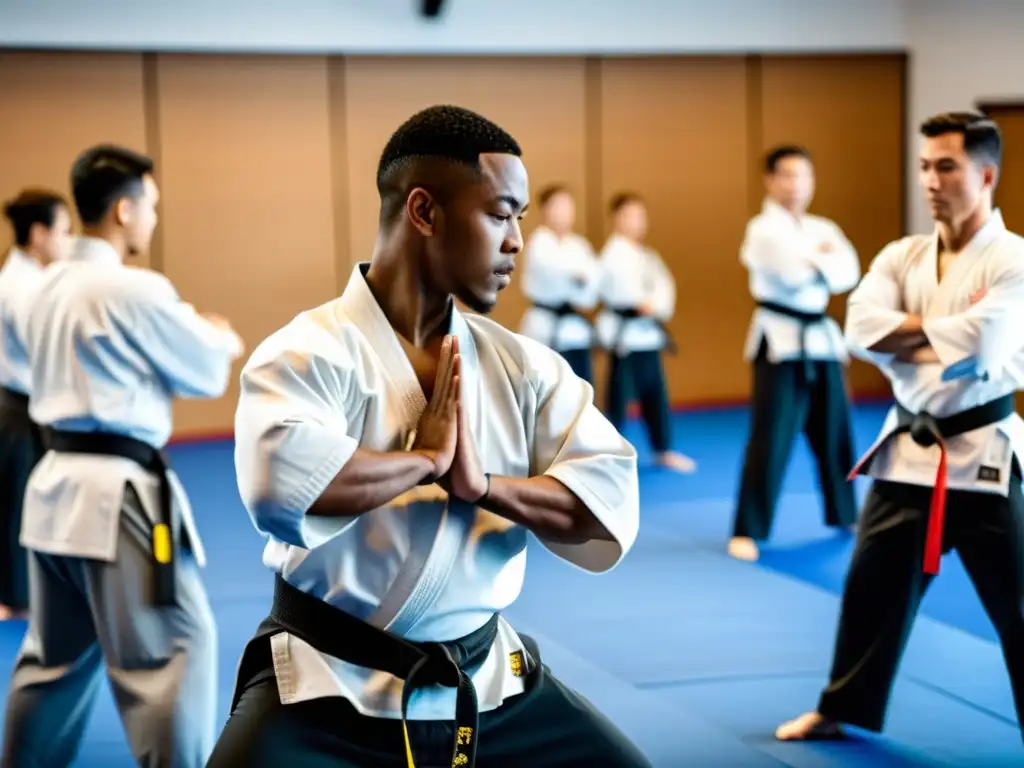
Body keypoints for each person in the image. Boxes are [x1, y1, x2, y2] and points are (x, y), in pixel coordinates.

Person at [208, 105, 649, 768]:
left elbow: (608, 496)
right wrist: (420, 461)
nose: (516, 243)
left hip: (489, 684)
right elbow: (280, 487)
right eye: (500, 214)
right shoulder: (307, 353)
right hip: (328, 688)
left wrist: (484, 486)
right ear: (424, 211)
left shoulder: (523, 365)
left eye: (521, 220)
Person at [776, 112, 1024, 741]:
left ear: (986, 174)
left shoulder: (1013, 258)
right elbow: (859, 329)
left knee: (1019, 608)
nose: (930, 180)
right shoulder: (902, 254)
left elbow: (989, 341)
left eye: (946, 166)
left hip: (985, 454)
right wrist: (937, 341)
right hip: (909, 445)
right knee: (870, 590)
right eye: (924, 166)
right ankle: (842, 707)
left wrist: (905, 336)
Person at [1, 144, 244, 767]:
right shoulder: (131, 288)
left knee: (53, 661)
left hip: (52, 491)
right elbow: (206, 369)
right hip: (116, 501)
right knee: (175, 652)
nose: (154, 220)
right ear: (126, 210)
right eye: (152, 207)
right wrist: (214, 331)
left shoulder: (41, 284)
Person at [728, 146, 861, 562]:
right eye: (786, 175)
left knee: (835, 432)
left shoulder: (823, 226)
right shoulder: (762, 228)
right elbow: (790, 274)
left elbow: (850, 271)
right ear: (770, 180)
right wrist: (821, 261)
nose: (795, 184)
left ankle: (845, 513)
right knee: (772, 437)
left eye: (803, 175)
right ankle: (747, 528)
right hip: (780, 343)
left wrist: (821, 263)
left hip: (821, 340)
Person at [0, 190, 73, 620]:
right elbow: (46, 347)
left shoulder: (29, 277)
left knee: (29, 500)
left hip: (27, 403)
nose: (67, 240)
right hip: (20, 406)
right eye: (62, 231)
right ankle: (15, 599)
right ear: (40, 233)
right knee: (18, 505)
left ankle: (24, 593)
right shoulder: (21, 286)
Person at [596, 192, 696, 473]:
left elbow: (666, 287)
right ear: (616, 219)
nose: (636, 221)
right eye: (629, 214)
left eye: (640, 215)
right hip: (625, 338)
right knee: (617, 399)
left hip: (648, 335)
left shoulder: (648, 255)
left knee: (655, 394)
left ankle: (663, 449)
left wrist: (656, 305)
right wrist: (644, 302)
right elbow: (627, 293)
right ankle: (605, 453)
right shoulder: (612, 253)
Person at [518, 184, 599, 382]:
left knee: (582, 391)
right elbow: (555, 273)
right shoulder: (538, 243)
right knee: (546, 390)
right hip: (545, 326)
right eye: (558, 206)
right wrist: (576, 277)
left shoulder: (580, 245)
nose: (564, 212)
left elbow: (592, 287)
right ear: (544, 210)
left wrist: (579, 280)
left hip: (576, 328)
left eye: (568, 206)